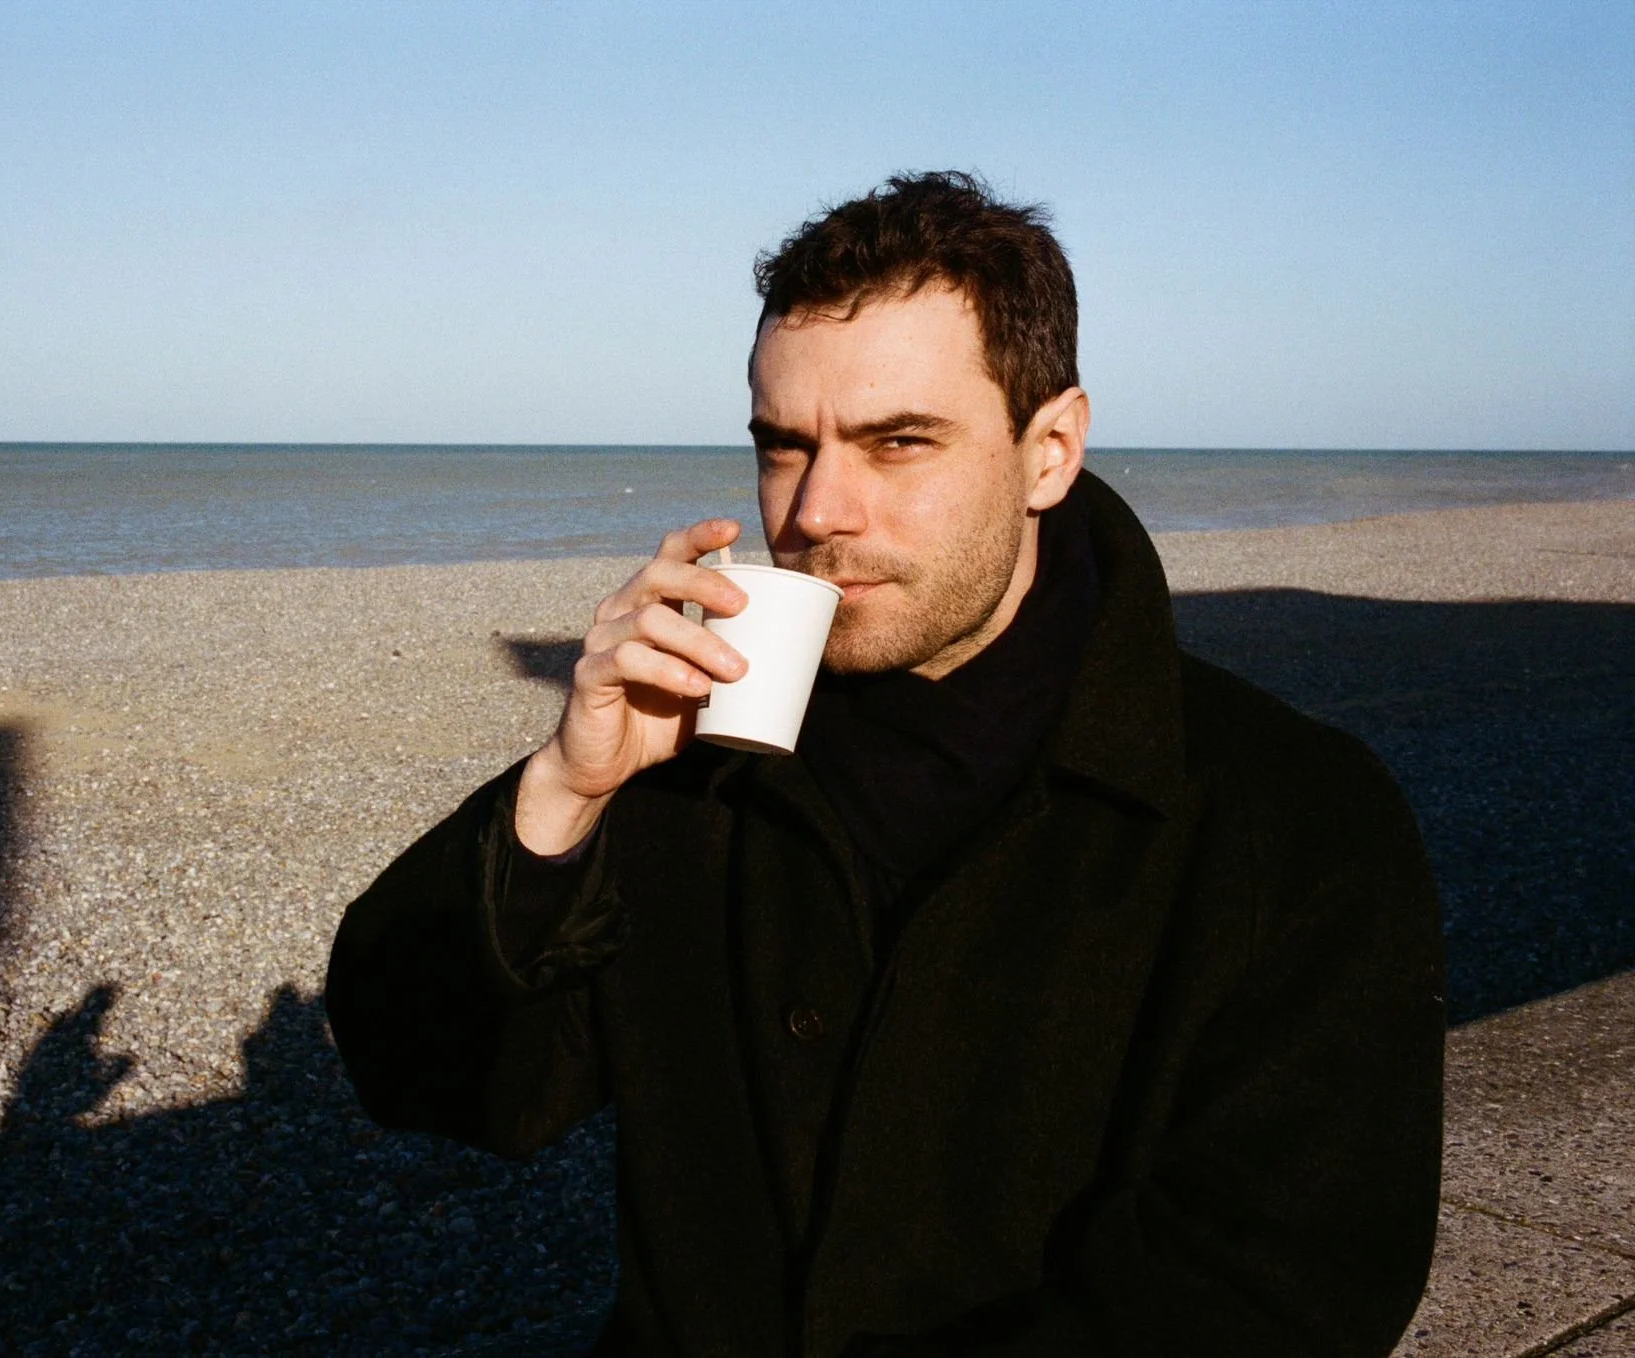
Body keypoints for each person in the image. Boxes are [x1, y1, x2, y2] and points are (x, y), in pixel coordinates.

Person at [325, 172, 1445, 1357]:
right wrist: (560, 794)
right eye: (781, 447)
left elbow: (1280, 1287)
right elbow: (435, 1080)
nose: (815, 511)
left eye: (896, 442)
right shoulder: (689, 767)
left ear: (1048, 450)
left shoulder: (1288, 818)